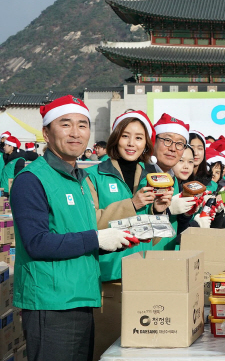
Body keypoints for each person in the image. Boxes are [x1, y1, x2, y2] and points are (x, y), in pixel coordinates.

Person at [11, 95, 134, 361]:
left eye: (83, 125)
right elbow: (37, 242)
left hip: (81, 297)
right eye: (65, 124)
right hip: (52, 303)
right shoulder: (32, 179)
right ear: (46, 132)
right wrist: (96, 238)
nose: (76, 133)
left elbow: (75, 232)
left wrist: (115, 239)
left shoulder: (78, 179)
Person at [85, 110, 171, 360]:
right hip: (108, 279)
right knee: (106, 351)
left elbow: (155, 237)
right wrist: (131, 204)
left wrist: (159, 211)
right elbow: (93, 224)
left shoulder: (152, 177)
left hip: (145, 278)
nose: (132, 143)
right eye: (125, 136)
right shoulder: (93, 175)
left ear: (146, 143)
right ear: (115, 139)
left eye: (139, 138)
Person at [146, 113, 193, 250]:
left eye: (180, 144)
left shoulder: (173, 180)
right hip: (142, 260)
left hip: (167, 255)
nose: (173, 148)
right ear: (153, 141)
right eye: (167, 140)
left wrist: (185, 215)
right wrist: (168, 211)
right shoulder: (142, 176)